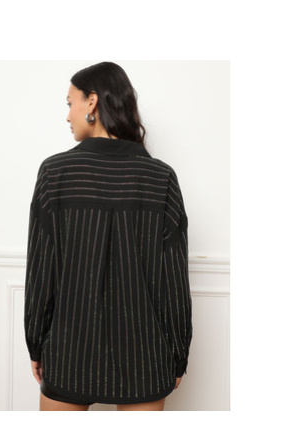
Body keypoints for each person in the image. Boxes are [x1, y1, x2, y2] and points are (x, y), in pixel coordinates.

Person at [24, 62, 193, 411]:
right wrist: (178, 355)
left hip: (69, 350)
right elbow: (173, 280)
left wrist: (36, 344)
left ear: (92, 101)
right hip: (145, 355)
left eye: (69, 102)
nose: (67, 115)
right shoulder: (160, 177)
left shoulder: (55, 172)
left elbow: (42, 270)